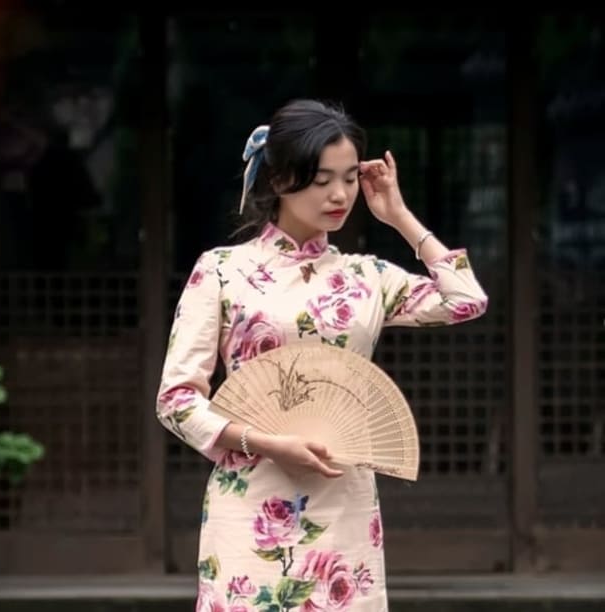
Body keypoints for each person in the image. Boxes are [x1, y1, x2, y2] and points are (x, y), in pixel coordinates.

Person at [155, 99, 488, 612]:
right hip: (251, 497)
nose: (340, 194)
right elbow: (176, 399)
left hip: (344, 504)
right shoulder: (222, 271)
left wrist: (398, 217)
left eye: (351, 177)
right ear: (281, 178)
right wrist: (265, 441)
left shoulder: (367, 277)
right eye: (321, 179)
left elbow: (465, 301)